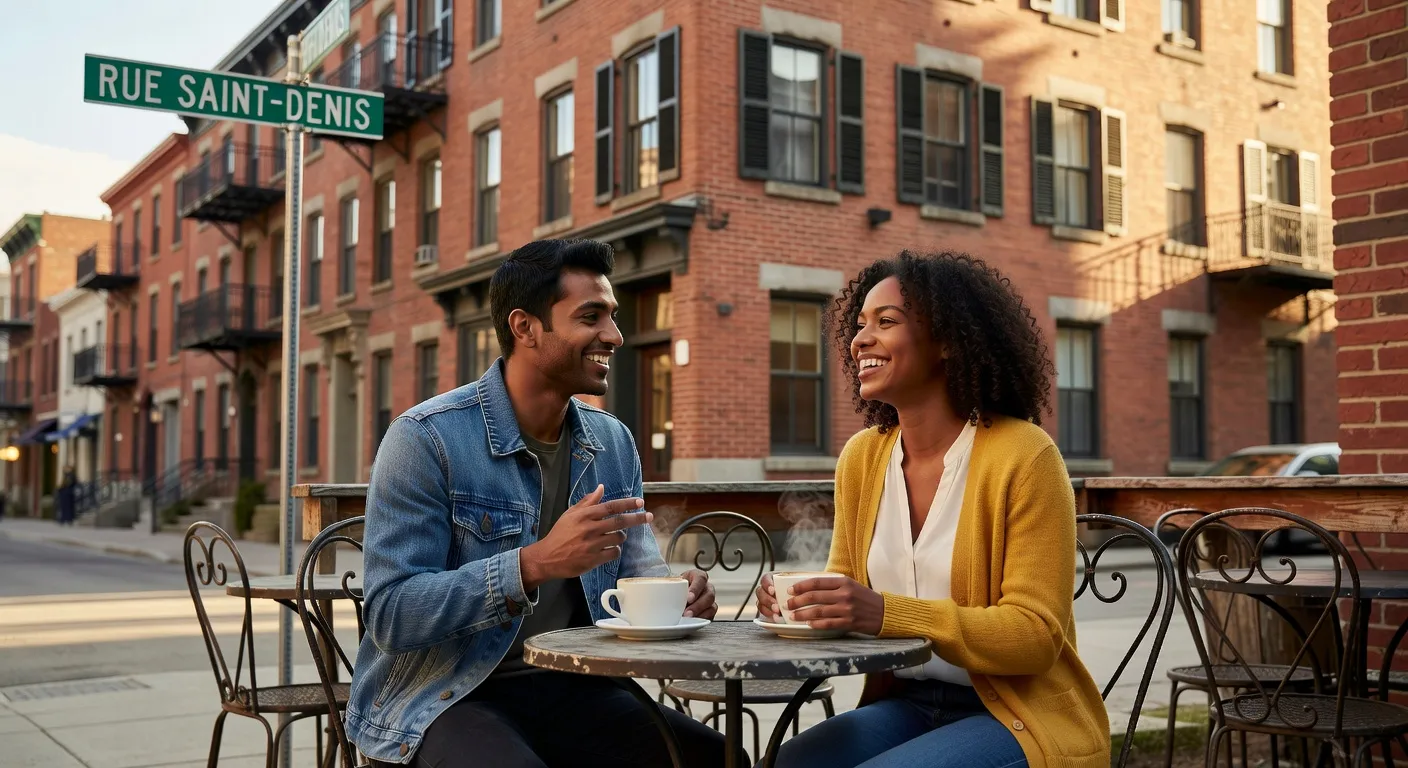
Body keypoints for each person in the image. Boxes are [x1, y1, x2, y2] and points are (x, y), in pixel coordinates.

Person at [349, 239, 730, 768]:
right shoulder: (425, 438)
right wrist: (532, 564)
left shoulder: (613, 442)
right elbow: (392, 614)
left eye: (613, 316)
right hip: (446, 697)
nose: (614, 336)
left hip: (576, 686)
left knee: (716, 758)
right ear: (525, 327)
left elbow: (637, 575)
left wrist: (677, 600)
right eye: (590, 317)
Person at [757, 251, 1109, 768]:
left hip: (1017, 714)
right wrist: (806, 606)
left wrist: (884, 613)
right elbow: (846, 586)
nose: (861, 340)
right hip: (908, 703)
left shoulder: (1024, 455)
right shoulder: (862, 458)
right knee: (787, 764)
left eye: (886, 322)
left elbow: (1035, 637)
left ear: (948, 340)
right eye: (860, 324)